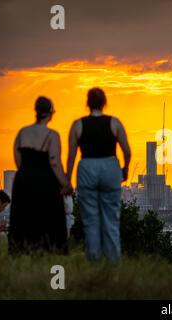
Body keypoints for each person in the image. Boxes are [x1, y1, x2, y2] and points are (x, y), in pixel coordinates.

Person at [67, 87, 131, 262]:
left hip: (87, 166)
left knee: (91, 218)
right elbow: (127, 150)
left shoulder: (78, 125)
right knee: (111, 218)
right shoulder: (114, 123)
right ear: (104, 103)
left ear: (87, 103)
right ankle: (113, 262)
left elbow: (71, 155)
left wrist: (67, 180)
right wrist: (125, 169)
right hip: (110, 167)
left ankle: (94, 260)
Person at [8, 96, 71, 255]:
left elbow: (17, 156)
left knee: (24, 217)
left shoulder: (22, 132)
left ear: (36, 112)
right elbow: (55, 162)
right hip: (45, 181)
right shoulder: (52, 135)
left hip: (23, 179)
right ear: (51, 113)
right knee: (47, 218)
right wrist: (65, 183)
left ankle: (21, 250)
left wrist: (26, 171)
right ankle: (48, 251)